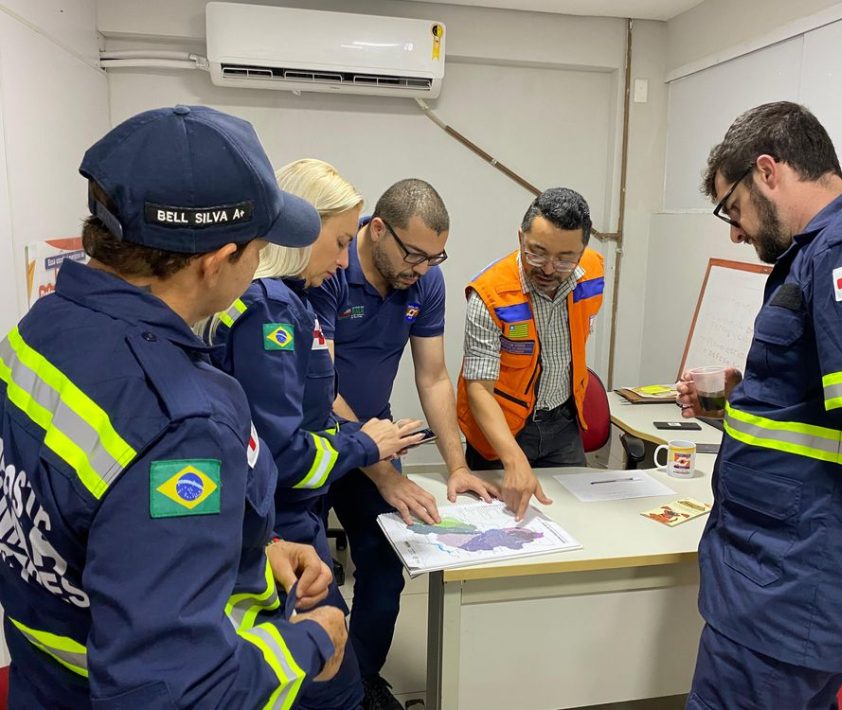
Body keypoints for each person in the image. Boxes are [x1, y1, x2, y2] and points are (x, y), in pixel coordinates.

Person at [0, 105, 350, 708]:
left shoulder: (37, 333)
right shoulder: (185, 423)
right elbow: (181, 692)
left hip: (43, 679)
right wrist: (311, 643)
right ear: (216, 260)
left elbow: (96, 527)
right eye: (259, 245)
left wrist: (252, 554)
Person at [676, 101, 842, 709]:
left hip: (790, 587)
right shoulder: (830, 252)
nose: (735, 232)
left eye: (733, 209)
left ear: (767, 171)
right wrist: (743, 395)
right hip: (787, 577)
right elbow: (836, 409)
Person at [204, 158, 424, 710]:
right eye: (341, 241)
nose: (344, 259)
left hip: (286, 526)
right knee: (330, 681)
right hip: (280, 534)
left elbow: (301, 415)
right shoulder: (272, 309)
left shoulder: (285, 301)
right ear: (304, 230)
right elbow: (283, 453)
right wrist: (365, 444)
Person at [308, 178, 498, 710]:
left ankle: (362, 679)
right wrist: (384, 471)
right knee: (307, 572)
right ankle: (312, 688)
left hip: (378, 435)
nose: (422, 268)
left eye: (435, 256)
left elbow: (434, 377)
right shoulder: (329, 272)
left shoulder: (424, 282)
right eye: (414, 253)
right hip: (317, 439)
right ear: (376, 230)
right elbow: (319, 387)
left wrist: (456, 462)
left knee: (385, 564)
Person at [457, 187, 605, 520]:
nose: (550, 269)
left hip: (563, 423)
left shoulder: (593, 272)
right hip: (501, 432)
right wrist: (512, 458)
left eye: (566, 258)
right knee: (498, 527)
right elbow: (479, 388)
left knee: (575, 522)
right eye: (537, 252)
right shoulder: (490, 294)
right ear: (521, 237)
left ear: (582, 251)